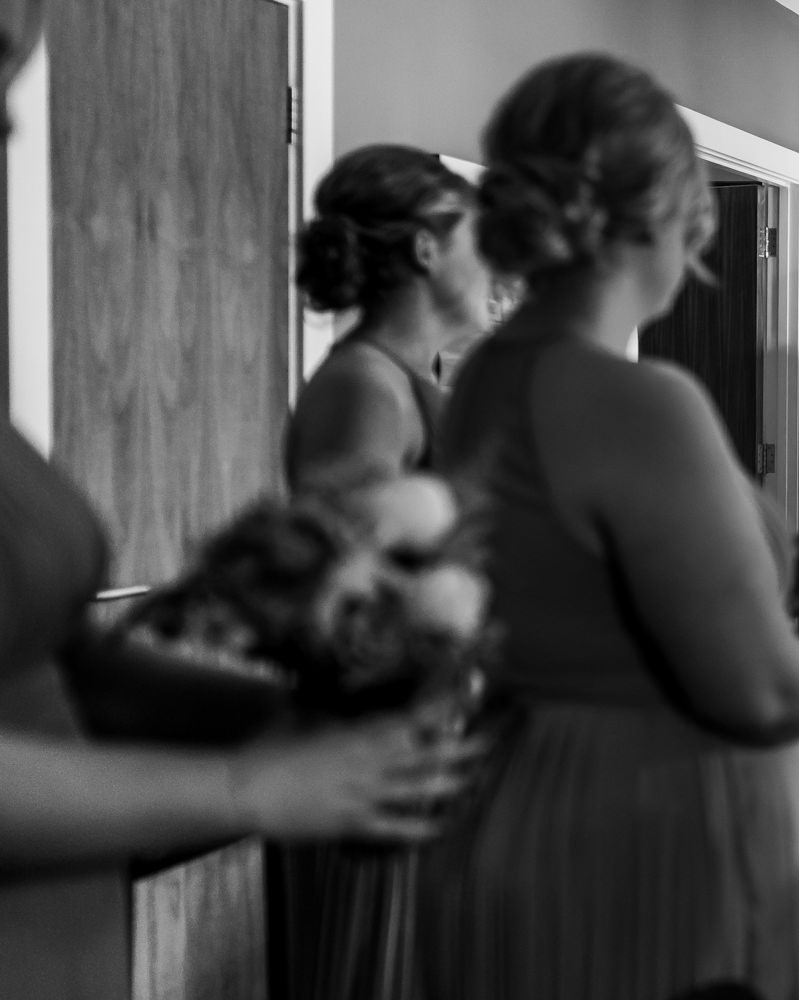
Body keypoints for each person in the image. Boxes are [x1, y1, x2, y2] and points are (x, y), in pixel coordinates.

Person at [0, 10, 483, 999]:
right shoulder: (364, 386)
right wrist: (252, 782)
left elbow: (66, 663)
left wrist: (286, 727)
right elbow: (349, 565)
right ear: (430, 251)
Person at [416, 53, 799, 1000]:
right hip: (656, 818)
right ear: (663, 215)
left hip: (526, 787)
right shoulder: (639, 401)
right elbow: (757, 689)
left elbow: (597, 586)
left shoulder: (481, 383)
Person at [272, 145, 495, 1000]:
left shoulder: (411, 379)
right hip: (379, 746)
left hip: (433, 725)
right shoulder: (364, 386)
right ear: (430, 249)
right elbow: (341, 597)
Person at [285, 144, 490, 493]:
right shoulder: (365, 387)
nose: (492, 264)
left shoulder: (392, 377)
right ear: (425, 250)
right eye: (479, 242)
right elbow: (343, 539)